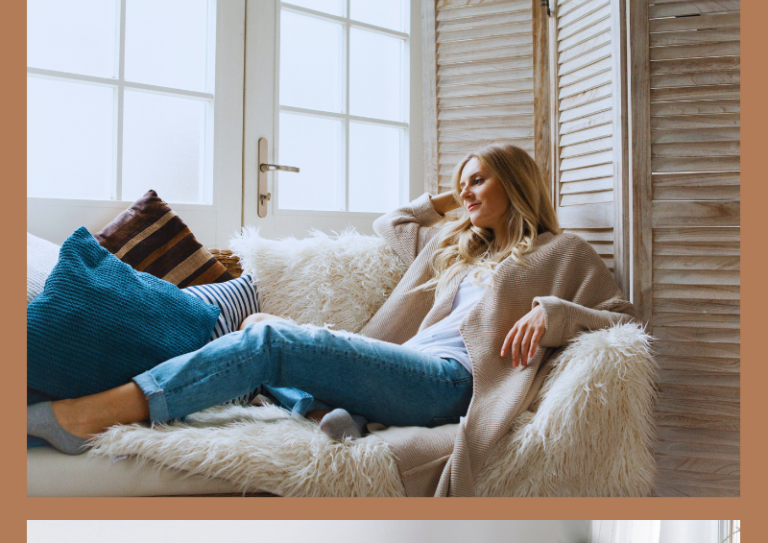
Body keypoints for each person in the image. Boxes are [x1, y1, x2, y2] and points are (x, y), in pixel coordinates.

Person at [27, 143, 636, 496]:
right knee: (257, 321)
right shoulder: (459, 247)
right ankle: (319, 410)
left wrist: (551, 315)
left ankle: (86, 415)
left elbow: (619, 321)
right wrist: (452, 197)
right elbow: (393, 223)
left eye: (479, 180)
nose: (467, 192)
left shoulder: (561, 253)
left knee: (267, 340)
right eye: (463, 184)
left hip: (451, 383)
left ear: (517, 181)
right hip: (411, 367)